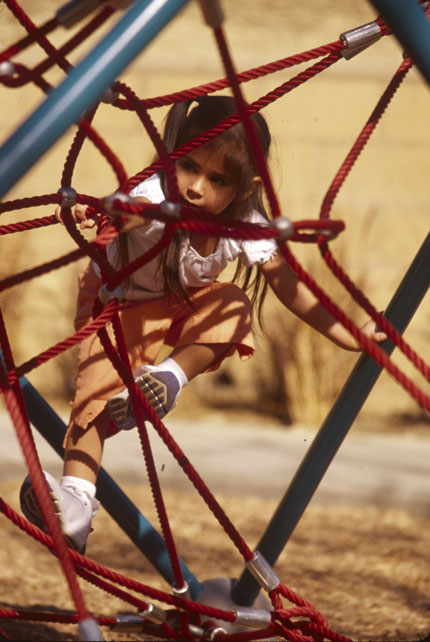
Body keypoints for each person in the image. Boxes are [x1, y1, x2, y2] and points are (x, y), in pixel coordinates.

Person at [19, 95, 386, 553]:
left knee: (233, 303)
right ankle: (75, 503)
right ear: (172, 157)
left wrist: (350, 336)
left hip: (184, 304)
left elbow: (290, 287)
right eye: (188, 166)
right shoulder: (155, 194)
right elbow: (124, 211)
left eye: (216, 179)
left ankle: (167, 380)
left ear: (245, 188)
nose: (194, 187)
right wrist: (93, 213)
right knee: (93, 405)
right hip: (118, 307)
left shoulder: (246, 223)